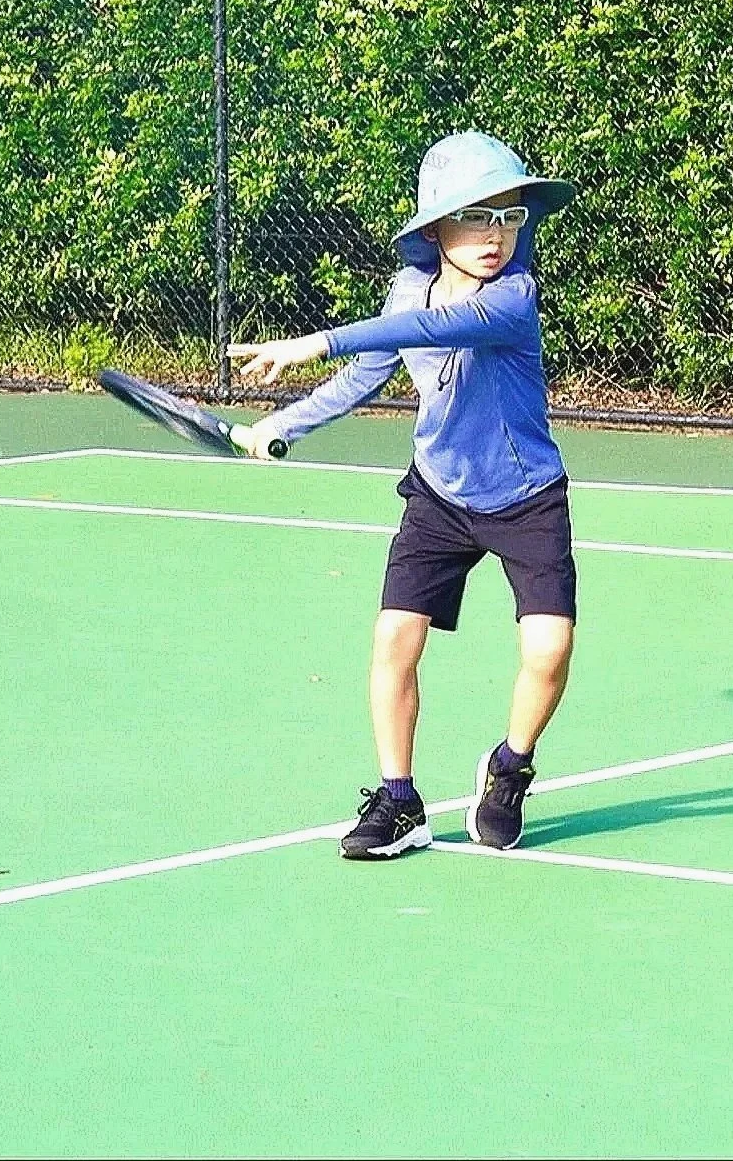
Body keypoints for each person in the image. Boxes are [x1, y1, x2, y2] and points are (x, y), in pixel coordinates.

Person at [226, 131, 578, 859]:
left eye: (510, 218)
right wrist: (281, 425)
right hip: (439, 495)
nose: (495, 236)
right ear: (437, 229)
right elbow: (367, 373)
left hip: (526, 497)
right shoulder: (408, 288)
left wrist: (318, 340)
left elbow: (428, 328)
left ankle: (509, 769)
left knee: (549, 650)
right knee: (395, 638)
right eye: (478, 217)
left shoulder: (513, 297)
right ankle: (399, 801)